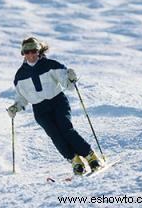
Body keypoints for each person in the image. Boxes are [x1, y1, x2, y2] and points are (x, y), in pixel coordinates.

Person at [7, 37, 102, 175]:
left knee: (65, 128)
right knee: (55, 135)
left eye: (34, 51)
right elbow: (22, 98)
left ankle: (91, 157)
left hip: (58, 101)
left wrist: (70, 78)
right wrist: (15, 107)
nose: (31, 55)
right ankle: (75, 161)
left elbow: (68, 85)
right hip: (40, 109)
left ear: (39, 51)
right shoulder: (20, 75)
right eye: (27, 52)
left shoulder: (51, 65)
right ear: (23, 54)